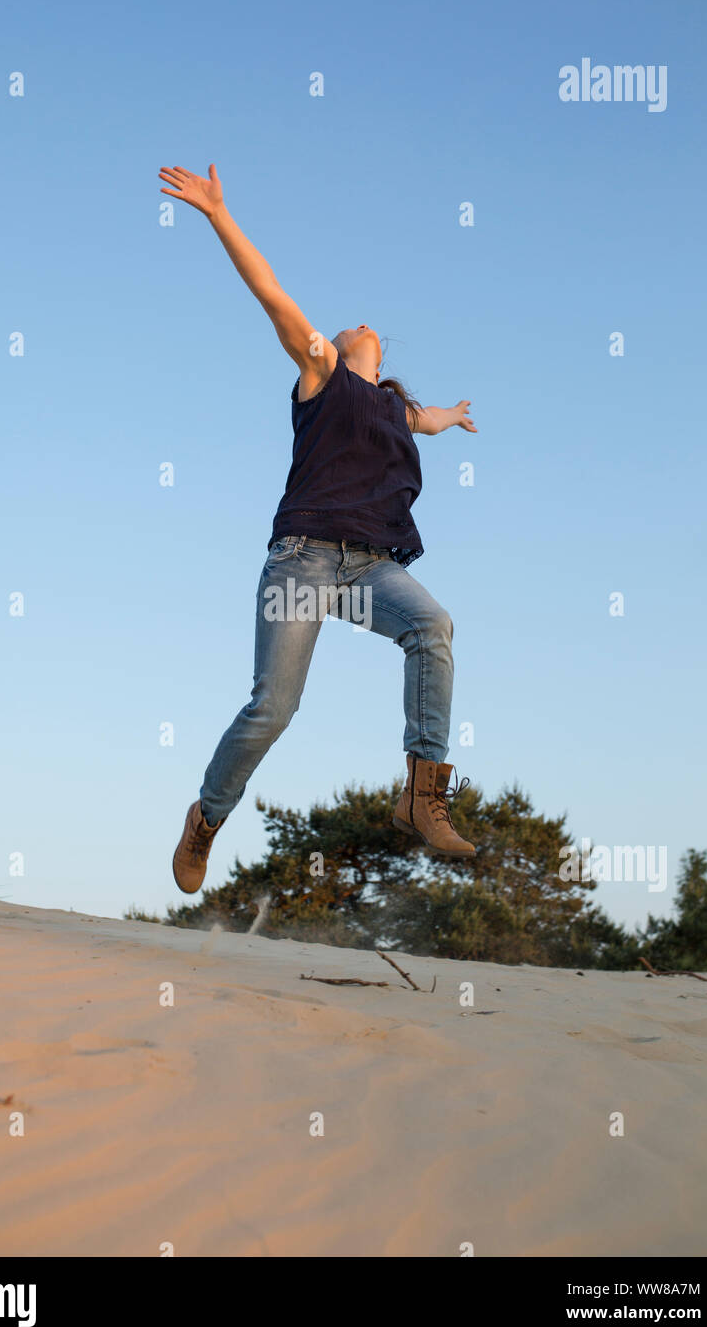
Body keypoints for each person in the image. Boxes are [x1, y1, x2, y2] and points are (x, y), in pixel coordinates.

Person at [159, 163, 479, 894]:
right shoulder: (323, 373)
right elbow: (270, 291)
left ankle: (422, 789)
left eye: (370, 326)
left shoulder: (397, 410)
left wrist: (450, 418)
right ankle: (207, 816)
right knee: (275, 707)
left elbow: (422, 420)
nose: (361, 320)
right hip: (302, 561)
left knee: (433, 625)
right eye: (348, 322)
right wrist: (216, 213)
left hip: (370, 570)